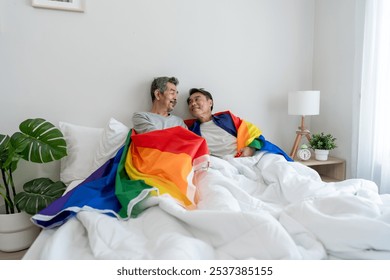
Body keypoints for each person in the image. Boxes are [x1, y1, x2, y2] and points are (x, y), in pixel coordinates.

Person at [185, 88, 292, 161]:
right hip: (224, 164)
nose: (193, 103)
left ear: (210, 103)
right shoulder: (190, 130)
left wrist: (251, 148)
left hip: (251, 155)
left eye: (197, 99)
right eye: (190, 102)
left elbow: (255, 135)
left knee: (278, 165)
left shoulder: (227, 119)